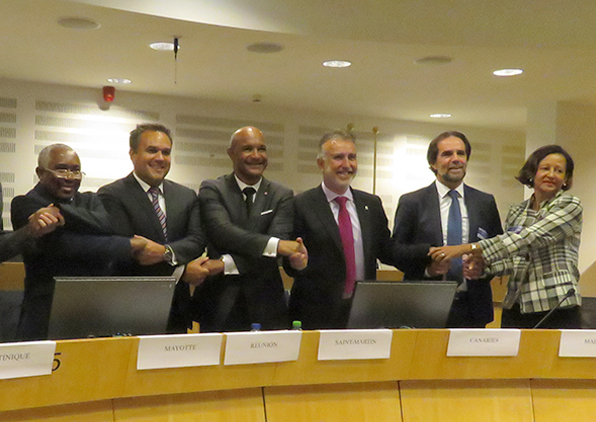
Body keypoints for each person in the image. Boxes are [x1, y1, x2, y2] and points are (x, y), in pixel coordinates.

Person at [287, 130, 428, 329]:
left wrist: (428, 255)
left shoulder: (371, 204)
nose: (347, 164)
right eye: (338, 157)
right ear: (321, 163)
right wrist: (296, 263)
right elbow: (290, 260)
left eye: (352, 157)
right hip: (316, 314)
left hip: (363, 313)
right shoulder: (300, 205)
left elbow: (388, 251)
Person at [430, 145, 582, 329]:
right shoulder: (517, 210)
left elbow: (528, 238)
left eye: (559, 171)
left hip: (555, 303)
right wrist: (482, 268)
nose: (551, 174)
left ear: (565, 179)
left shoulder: (569, 204)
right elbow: (513, 259)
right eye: (545, 168)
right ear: (532, 172)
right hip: (515, 304)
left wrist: (468, 248)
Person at [11, 144, 143, 340]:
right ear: (40, 173)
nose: (70, 177)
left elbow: (109, 224)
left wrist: (60, 211)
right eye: (61, 169)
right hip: (45, 313)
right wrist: (124, 244)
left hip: (94, 309)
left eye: (75, 171)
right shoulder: (25, 204)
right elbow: (63, 246)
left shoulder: (90, 199)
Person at [192, 126, 307, 332]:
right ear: (231, 153)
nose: (256, 156)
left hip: (267, 305)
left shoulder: (282, 195)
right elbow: (222, 232)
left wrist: (224, 264)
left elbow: (274, 249)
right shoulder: (213, 188)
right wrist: (276, 245)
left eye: (261, 149)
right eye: (247, 149)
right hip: (219, 303)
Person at [98, 123, 210, 333]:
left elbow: (197, 240)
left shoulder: (186, 196)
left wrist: (165, 252)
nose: (160, 158)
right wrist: (181, 272)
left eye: (166, 152)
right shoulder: (111, 195)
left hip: (176, 309)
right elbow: (127, 252)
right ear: (132, 154)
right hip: (130, 308)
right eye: (152, 150)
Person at [393, 131, 503, 328]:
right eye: (447, 154)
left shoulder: (484, 202)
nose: (456, 159)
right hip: (423, 306)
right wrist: (428, 269)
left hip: (472, 308)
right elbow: (397, 251)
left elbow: (499, 248)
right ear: (433, 163)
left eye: (461, 153)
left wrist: (483, 269)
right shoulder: (412, 202)